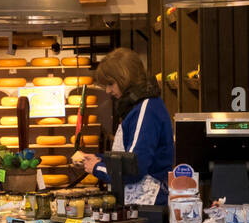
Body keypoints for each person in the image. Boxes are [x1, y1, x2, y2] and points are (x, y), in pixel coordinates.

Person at [74, 47, 174, 205]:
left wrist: (97, 168)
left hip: (148, 203)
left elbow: (134, 169)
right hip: (139, 202)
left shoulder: (146, 109)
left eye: (111, 84)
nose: (108, 90)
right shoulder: (138, 106)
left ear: (125, 78)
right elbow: (129, 156)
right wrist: (100, 159)